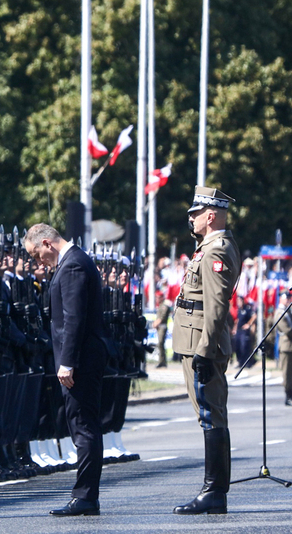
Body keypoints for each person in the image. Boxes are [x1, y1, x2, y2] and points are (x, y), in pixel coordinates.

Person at [24, 223, 106, 516]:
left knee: (83, 426)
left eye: (36, 254)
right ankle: (86, 495)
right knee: (83, 425)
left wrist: (67, 362)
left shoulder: (72, 266)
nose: (38, 262)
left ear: (47, 243)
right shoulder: (76, 261)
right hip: (84, 357)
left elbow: (73, 320)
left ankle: (85, 496)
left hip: (80, 360)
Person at [171, 186, 240, 515]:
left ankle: (214, 491)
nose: (191, 218)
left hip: (203, 344)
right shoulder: (209, 247)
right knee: (209, 415)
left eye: (195, 213)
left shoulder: (216, 250)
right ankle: (215, 491)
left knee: (211, 416)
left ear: (210, 216)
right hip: (198, 341)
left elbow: (215, 308)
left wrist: (203, 350)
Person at [274, 291, 292, 406]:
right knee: (287, 373)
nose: (288, 300)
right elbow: (287, 330)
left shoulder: (288, 311)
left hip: (290, 346)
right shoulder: (279, 312)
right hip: (286, 347)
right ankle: (288, 395)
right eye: (287, 298)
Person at [153, 291, 172, 367]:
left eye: (158, 297)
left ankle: (162, 361)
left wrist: (156, 323)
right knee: (160, 345)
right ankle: (161, 361)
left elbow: (162, 317)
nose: (157, 299)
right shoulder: (160, 305)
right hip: (159, 327)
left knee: (161, 343)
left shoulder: (164, 306)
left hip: (162, 327)